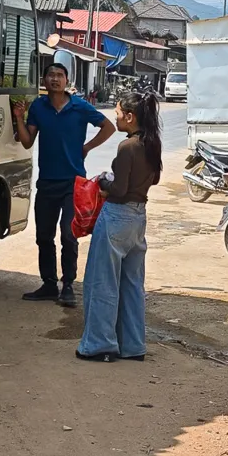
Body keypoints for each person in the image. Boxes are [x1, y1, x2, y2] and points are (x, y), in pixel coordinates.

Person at [15, 62, 115, 306]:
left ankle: (68, 284)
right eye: (50, 75)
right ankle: (48, 284)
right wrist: (18, 117)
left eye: (59, 75)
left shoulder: (80, 107)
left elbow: (108, 127)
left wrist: (87, 147)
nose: (55, 79)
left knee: (69, 236)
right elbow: (28, 141)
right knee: (43, 236)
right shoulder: (38, 107)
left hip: (73, 184)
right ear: (44, 80)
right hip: (47, 183)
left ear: (67, 81)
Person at [76, 93, 162, 362]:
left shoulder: (127, 147)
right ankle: (133, 345)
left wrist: (103, 184)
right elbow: (154, 179)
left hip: (117, 216)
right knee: (132, 284)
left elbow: (120, 189)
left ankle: (100, 345)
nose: (115, 116)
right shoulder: (151, 143)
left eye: (118, 112)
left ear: (130, 116)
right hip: (138, 218)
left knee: (102, 282)